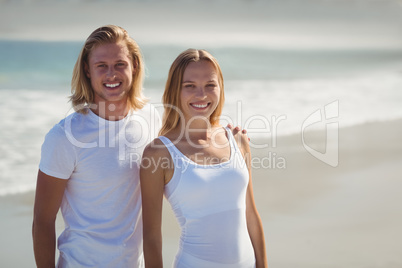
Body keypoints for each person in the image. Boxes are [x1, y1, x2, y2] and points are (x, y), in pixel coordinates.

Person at [32, 25, 158, 267]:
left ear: (135, 66)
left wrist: (227, 138)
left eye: (120, 64)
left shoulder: (151, 118)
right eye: (102, 66)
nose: (111, 74)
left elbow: (188, 150)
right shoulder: (65, 136)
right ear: (88, 71)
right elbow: (43, 220)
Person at [140, 49, 268, 267]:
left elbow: (251, 215)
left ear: (220, 89)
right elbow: (152, 237)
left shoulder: (237, 140)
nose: (202, 95)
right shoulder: (159, 153)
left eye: (210, 85)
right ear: (175, 91)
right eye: (190, 86)